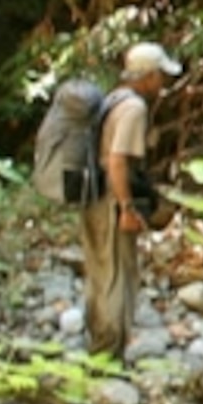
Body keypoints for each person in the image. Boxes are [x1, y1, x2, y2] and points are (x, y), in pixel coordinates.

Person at [81, 41, 181, 355]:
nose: (162, 83)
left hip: (92, 194)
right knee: (116, 274)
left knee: (100, 270)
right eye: (160, 75)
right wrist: (126, 208)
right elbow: (117, 161)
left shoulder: (114, 98)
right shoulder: (134, 108)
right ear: (148, 75)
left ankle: (97, 346)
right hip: (111, 200)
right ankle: (107, 354)